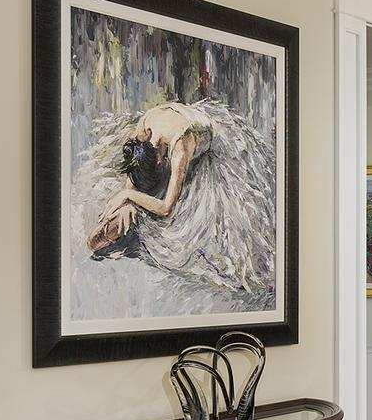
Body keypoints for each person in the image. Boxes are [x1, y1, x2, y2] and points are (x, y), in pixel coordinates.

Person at [78, 96, 275, 299]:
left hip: (217, 146)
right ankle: (107, 231)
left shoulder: (181, 146)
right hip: (177, 131)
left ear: (162, 160)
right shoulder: (144, 130)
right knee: (131, 206)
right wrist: (127, 200)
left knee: (188, 231)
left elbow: (166, 208)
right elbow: (135, 171)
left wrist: (129, 195)